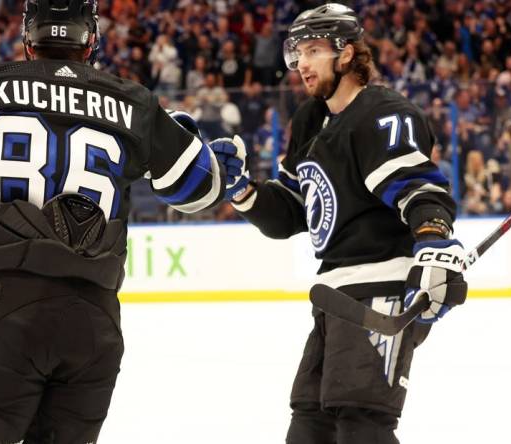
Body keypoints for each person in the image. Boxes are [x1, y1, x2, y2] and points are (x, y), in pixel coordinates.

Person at [0, 1, 230, 442]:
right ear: (91, 40)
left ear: (28, 41)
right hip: (94, 322)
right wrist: (186, 136)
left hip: (0, 306)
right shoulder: (137, 104)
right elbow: (200, 188)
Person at [211, 5, 467, 443]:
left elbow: (419, 191)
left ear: (346, 54)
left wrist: (432, 240)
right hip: (334, 298)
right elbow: (290, 213)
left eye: (313, 50)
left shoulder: (382, 113)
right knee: (310, 426)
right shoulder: (310, 120)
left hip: (380, 291)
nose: (302, 65)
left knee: (361, 424)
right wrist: (241, 190)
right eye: (297, 54)